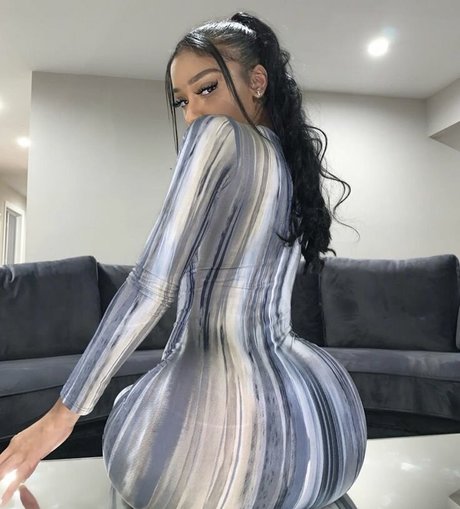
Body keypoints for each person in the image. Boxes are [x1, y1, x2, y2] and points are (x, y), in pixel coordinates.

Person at [0, 11, 366, 509]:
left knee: (131, 419)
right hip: (321, 436)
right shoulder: (289, 163)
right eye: (183, 100)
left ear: (257, 81)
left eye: (207, 88)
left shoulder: (218, 138)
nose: (193, 113)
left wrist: (59, 418)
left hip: (219, 435)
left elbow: (151, 287)